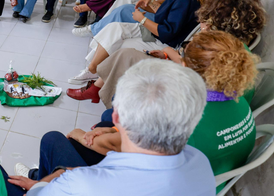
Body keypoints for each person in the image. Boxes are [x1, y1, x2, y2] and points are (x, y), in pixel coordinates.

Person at [0, 59, 215, 196]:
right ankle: (40, 174)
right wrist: (71, 177)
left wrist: (51, 180)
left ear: (116, 117)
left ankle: (37, 179)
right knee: (53, 140)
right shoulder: (201, 165)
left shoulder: (81, 187)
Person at [66, 31, 258, 184]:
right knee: (108, 119)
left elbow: (116, 145)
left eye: (182, 57)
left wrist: (78, 134)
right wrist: (112, 128)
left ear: (186, 67)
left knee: (60, 143)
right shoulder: (239, 100)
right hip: (205, 177)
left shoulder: (181, 116)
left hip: (169, 183)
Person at [70, 0, 266, 107]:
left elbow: (190, 72)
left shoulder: (219, 46)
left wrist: (169, 53)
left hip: (178, 75)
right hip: (176, 59)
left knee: (124, 50)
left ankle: (99, 85)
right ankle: (96, 81)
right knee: (121, 37)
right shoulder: (234, 49)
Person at [69, 0, 210, 85]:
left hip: (164, 44)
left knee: (117, 40)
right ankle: (92, 69)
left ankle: (93, 72)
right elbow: (167, 16)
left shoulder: (186, 1)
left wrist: (141, 19)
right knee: (114, 28)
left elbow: (167, 33)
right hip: (157, 36)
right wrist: (151, 5)